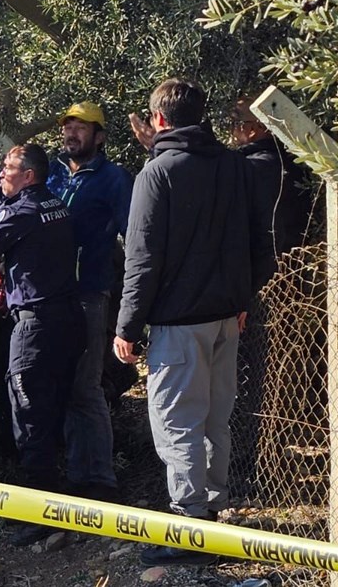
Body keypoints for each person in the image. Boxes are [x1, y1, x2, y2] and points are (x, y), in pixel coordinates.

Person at [114, 78, 274, 567]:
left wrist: (127, 325)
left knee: (177, 424)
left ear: (158, 120)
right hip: (227, 316)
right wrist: (243, 295)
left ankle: (189, 528)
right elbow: (256, 235)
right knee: (213, 419)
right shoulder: (232, 164)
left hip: (179, 323)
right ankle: (213, 510)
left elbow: (142, 259)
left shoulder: (157, 174)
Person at [0, 104, 132, 501]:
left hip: (87, 293)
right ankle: (70, 477)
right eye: (67, 125)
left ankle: (99, 481)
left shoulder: (113, 179)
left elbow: (134, 237)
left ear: (99, 136)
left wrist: (133, 304)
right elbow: (12, 201)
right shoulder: (52, 176)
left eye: (80, 127)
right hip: (56, 299)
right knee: (58, 389)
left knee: (84, 389)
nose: (71, 132)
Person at [0, 143, 85, 546]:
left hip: (35, 326)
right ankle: (65, 498)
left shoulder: (22, 212)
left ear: (28, 175)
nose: (1, 175)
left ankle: (41, 515)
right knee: (52, 412)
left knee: (29, 417)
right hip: (68, 320)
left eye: (8, 169)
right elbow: (6, 218)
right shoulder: (55, 204)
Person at [232, 97, 312, 256]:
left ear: (254, 127)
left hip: (260, 265)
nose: (232, 131)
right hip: (294, 261)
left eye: (234, 124)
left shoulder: (251, 168)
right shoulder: (296, 164)